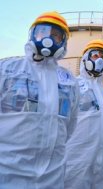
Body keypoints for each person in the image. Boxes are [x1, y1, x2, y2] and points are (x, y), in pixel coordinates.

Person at [0, 11, 79, 188]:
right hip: (9, 173)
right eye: (43, 32)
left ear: (63, 43)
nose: (48, 38)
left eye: (56, 35)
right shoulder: (7, 70)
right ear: (32, 34)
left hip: (52, 177)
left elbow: (70, 126)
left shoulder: (68, 82)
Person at [64, 39, 103, 189]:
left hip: (102, 159)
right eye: (95, 55)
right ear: (85, 57)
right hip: (77, 158)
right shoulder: (73, 85)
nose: (99, 60)